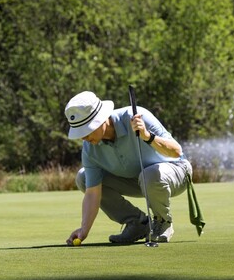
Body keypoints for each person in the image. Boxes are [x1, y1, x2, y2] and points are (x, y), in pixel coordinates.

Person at [64, 90, 193, 245]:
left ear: (101, 119)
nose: (83, 137)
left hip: (176, 171)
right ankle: (138, 223)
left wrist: (147, 136)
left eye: (87, 130)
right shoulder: (89, 148)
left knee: (149, 175)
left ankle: (163, 222)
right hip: (138, 180)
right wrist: (84, 230)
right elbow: (92, 192)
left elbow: (176, 152)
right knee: (84, 178)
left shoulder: (137, 116)